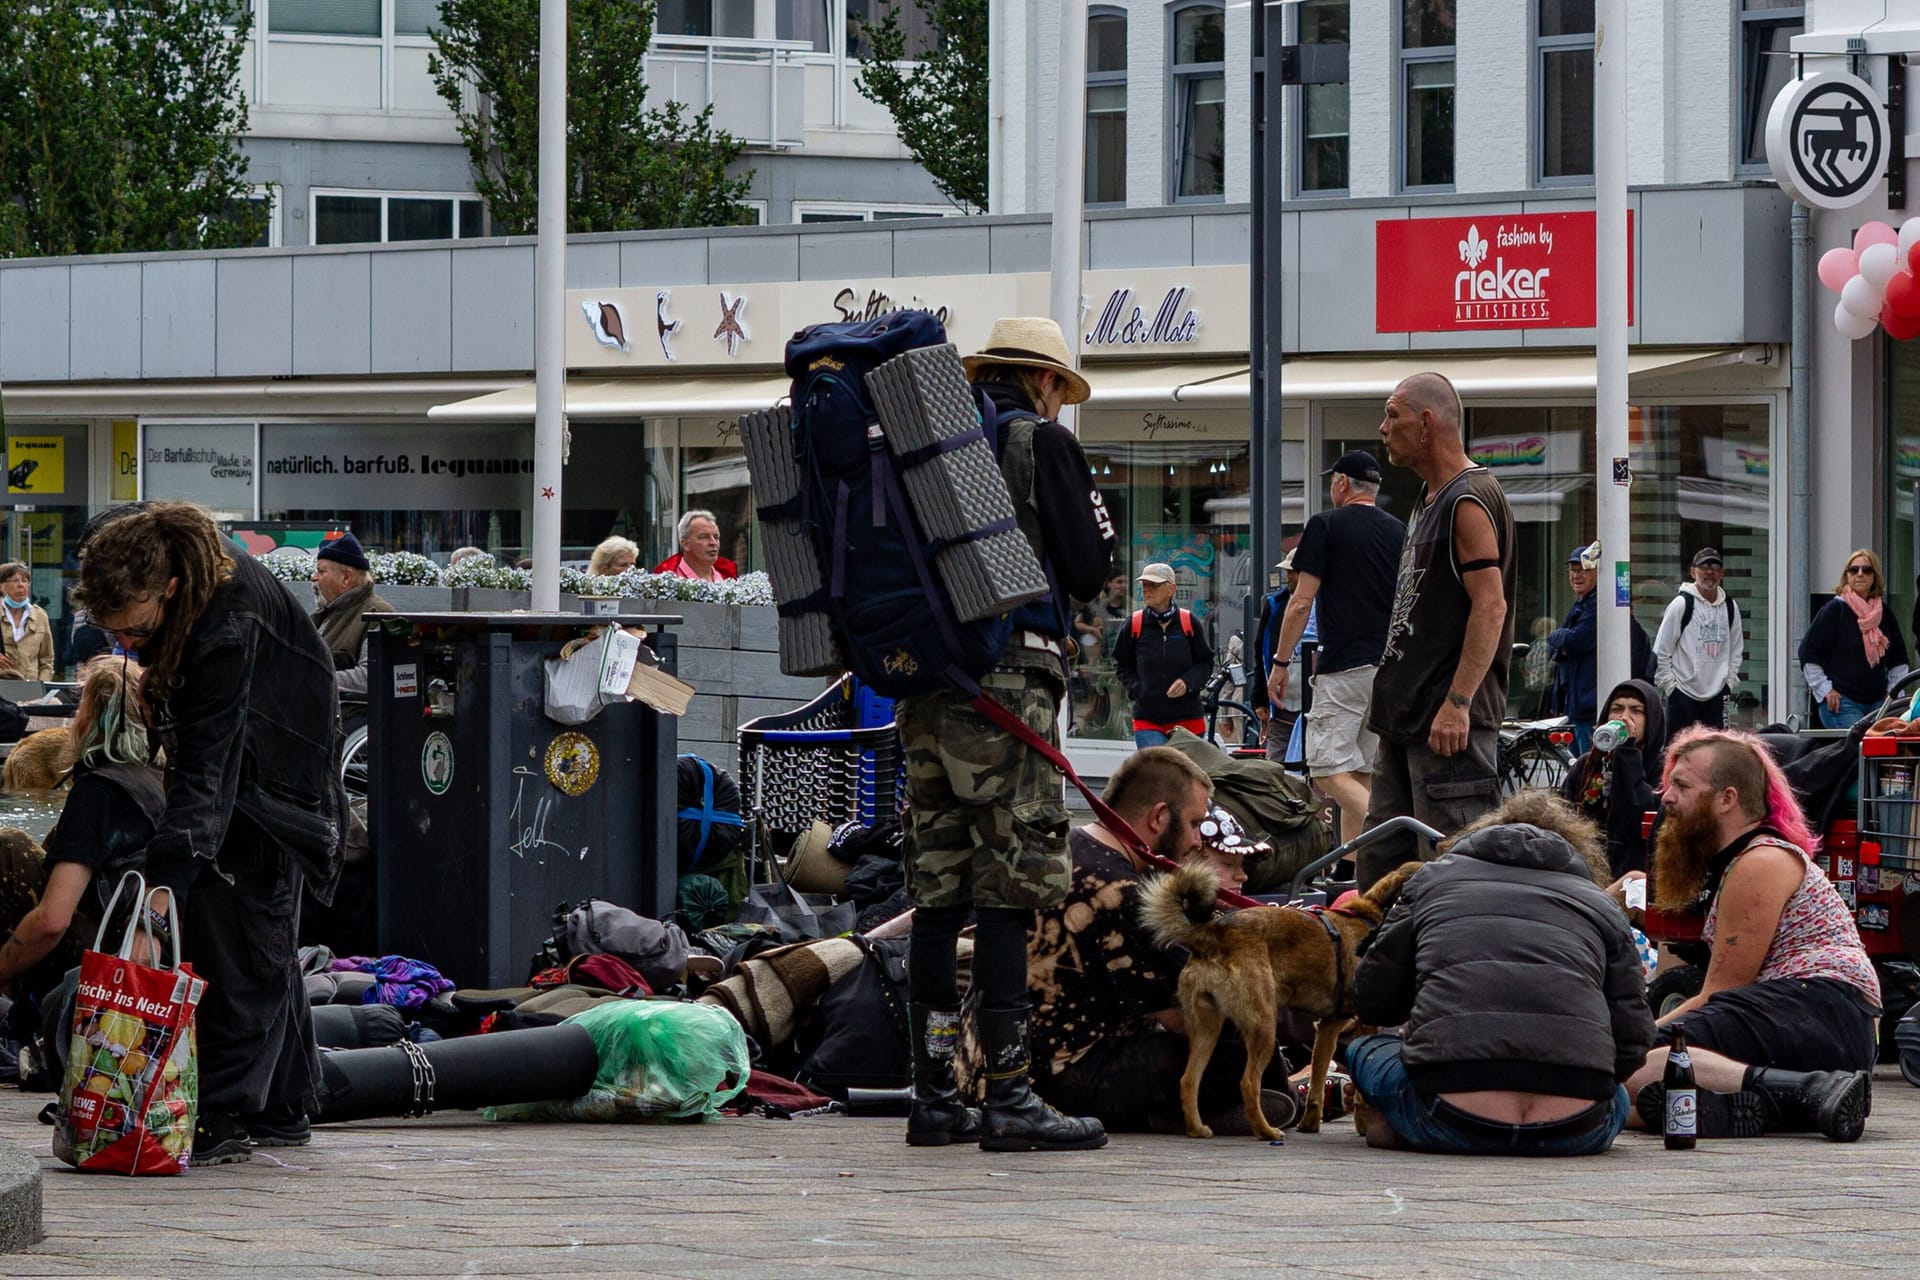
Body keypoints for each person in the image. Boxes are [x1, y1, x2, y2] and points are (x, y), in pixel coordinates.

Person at [73, 502, 348, 1165]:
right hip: (267, 787)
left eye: (134, 632)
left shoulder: (227, 622)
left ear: (168, 589)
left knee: (242, 939)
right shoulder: (185, 576)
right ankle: (284, 1105)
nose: (127, 648)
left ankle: (223, 1109)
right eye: (114, 637)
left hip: (272, 797)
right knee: (264, 942)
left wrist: (165, 888)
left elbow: (207, 767)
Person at [901, 316, 1116, 1154]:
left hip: (922, 689)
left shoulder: (931, 449)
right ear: (1048, 381)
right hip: (1008, 687)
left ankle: (934, 1092)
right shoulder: (1040, 442)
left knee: (936, 891)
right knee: (1008, 887)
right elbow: (1090, 567)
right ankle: (1010, 1094)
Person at [954, 749, 1299, 1134]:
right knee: (1235, 1040)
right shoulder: (1126, 892)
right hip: (1048, 1081)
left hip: (979, 1071)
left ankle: (1242, 1103)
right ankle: (1199, 1111)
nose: (1193, 841)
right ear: (1158, 817)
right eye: (1193, 824)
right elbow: (1188, 1019)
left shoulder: (1062, 849)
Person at [1343, 791, 1655, 1156]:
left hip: (1449, 1117)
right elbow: (1634, 1042)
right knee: (1613, 1092)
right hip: (1576, 1129)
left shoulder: (1430, 883)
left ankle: (1399, 1120)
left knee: (1368, 1048)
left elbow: (1371, 1000)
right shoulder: (1600, 904)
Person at [1623, 728, 1877, 1141]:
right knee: (1635, 1084)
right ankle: (1780, 1105)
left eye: (1682, 785)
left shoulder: (1759, 861)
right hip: (1825, 1024)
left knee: (1637, 1063)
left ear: (1727, 799)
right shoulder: (1745, 858)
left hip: (1823, 1009)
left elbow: (1719, 993)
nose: (1666, 797)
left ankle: (1810, 1089)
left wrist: (1629, 1039)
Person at [1358, 372, 1517, 890]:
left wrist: (1459, 702)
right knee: (1381, 873)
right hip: (1406, 719)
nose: (1383, 428)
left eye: (1393, 415)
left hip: (1446, 726)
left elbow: (1490, 607)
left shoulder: (1466, 500)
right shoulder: (1429, 499)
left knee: (1454, 873)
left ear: (1426, 424)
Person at [0, 662, 163, 1009]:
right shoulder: (163, 781)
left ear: (88, 716)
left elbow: (52, 921)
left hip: (103, 961)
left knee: (9, 846)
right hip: (142, 941)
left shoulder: (98, 792)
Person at [1267, 450, 1404, 845]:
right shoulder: (1399, 531)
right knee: (1359, 772)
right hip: (1387, 668)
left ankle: (1397, 832)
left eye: (1332, 480)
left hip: (1343, 666)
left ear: (1342, 483)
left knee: (1326, 769)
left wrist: (1280, 663)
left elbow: (1300, 602)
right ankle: (1352, 873)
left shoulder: (1325, 525)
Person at [1559, 679, 1667, 881]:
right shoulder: (1588, 765)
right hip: (1585, 873)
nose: (1624, 717)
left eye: (1636, 710)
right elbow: (1563, 815)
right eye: (1617, 709)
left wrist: (1628, 752)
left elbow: (1640, 823)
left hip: (1634, 876)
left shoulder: (1662, 768)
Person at [1799, 548, 1909, 729]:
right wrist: (1826, 690)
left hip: (1878, 703)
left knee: (1884, 750)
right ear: (1847, 575)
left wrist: (1893, 693)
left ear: (1875, 576)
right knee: (1859, 749)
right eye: (1854, 570)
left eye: (1866, 570)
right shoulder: (1835, 610)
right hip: (1843, 703)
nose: (1860, 574)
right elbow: (1808, 652)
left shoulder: (1884, 613)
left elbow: (1899, 658)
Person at [1111, 563, 1214, 748]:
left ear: (1171, 589)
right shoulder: (1134, 624)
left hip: (1188, 719)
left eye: (1154, 585)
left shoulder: (1188, 622)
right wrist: (1137, 688)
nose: (1147, 590)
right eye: (1144, 585)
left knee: (1185, 775)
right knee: (1156, 774)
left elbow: (1205, 663)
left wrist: (1188, 682)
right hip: (1148, 719)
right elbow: (1121, 663)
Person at [1653, 548, 1745, 735]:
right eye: (1703, 566)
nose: (1709, 571)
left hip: (1718, 696)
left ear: (1722, 573)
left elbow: (1736, 649)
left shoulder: (1730, 606)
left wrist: (1729, 682)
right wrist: (1672, 687)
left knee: (1717, 752)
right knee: (1679, 751)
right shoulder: (1681, 604)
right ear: (1693, 572)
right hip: (1683, 695)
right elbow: (1662, 650)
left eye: (1715, 566)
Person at [309, 533, 392, 697]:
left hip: (352, 718)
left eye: (321, 571)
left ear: (346, 578)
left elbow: (370, 677)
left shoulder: (378, 614)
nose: (314, 577)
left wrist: (312, 679)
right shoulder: (326, 614)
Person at [0, 562, 55, 680]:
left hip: (30, 689)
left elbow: (47, 661)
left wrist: (40, 687)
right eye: (14, 581)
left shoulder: (40, 615)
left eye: (24, 581)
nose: (20, 585)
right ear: (1, 587)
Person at [653, 510, 738, 581]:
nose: (713, 543)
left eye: (716, 537)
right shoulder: (668, 580)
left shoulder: (727, 577)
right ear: (685, 544)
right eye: (704, 537)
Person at [1073, 573, 1128, 665]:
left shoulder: (1129, 605)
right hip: (1097, 657)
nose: (1123, 585)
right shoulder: (1096, 605)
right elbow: (1078, 623)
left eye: (1126, 582)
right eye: (1119, 582)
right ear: (1109, 584)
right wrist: (1092, 629)